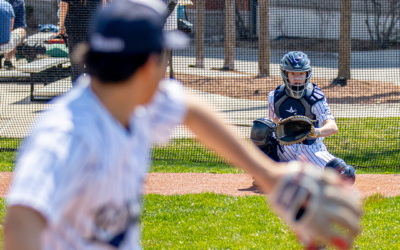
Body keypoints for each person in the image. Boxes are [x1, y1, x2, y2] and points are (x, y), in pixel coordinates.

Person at [3, 2, 361, 250]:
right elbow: (20, 222)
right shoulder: (66, 134)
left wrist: (270, 175)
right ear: (146, 66)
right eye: (163, 55)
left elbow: (191, 109)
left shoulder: (130, 101)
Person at [250, 51, 356, 184]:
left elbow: (332, 127)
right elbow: (272, 125)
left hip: (311, 150)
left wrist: (315, 132)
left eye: (301, 73)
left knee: (342, 174)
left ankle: (301, 176)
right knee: (261, 127)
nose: (297, 78)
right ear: (285, 74)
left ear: (307, 74)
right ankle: (265, 174)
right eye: (293, 73)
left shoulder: (315, 97)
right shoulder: (275, 96)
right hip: (285, 149)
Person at [59, 0, 104, 84]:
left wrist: (61, 26)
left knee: (76, 66)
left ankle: (77, 90)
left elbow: (64, 5)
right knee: (92, 64)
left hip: (75, 29)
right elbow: (102, 6)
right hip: (92, 28)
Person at [0, 0, 25, 70]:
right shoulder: (8, 5)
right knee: (22, 31)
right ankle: (8, 61)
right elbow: (11, 29)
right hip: (6, 45)